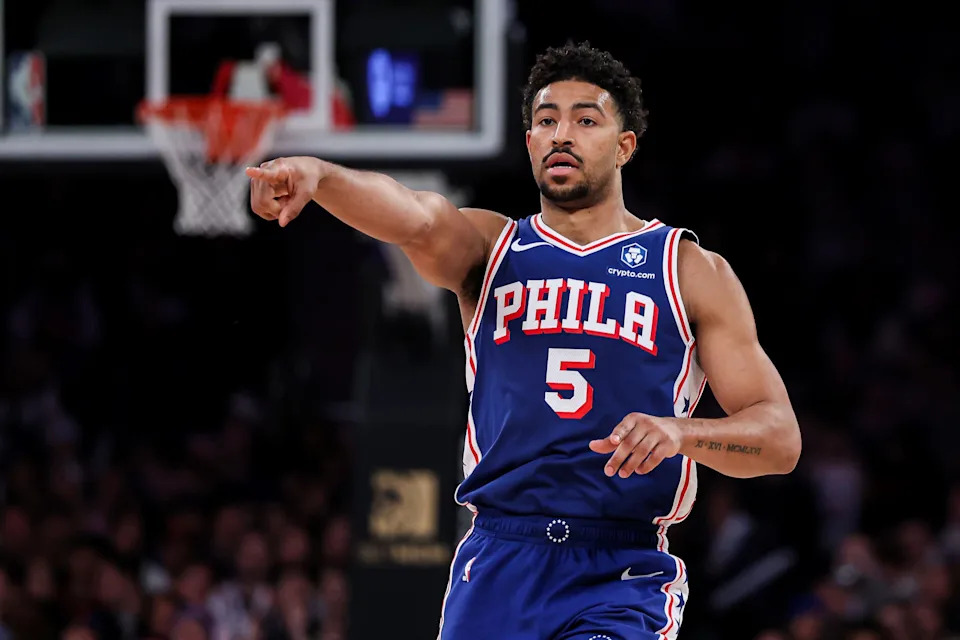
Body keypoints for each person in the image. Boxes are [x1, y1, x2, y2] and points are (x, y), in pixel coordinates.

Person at [246, 41, 802, 640]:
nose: (562, 134)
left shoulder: (686, 268)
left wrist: (682, 433)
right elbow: (415, 215)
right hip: (498, 556)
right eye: (546, 120)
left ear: (624, 146)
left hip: (619, 567)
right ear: (531, 142)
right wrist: (322, 176)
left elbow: (779, 438)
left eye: (585, 120)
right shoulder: (492, 247)